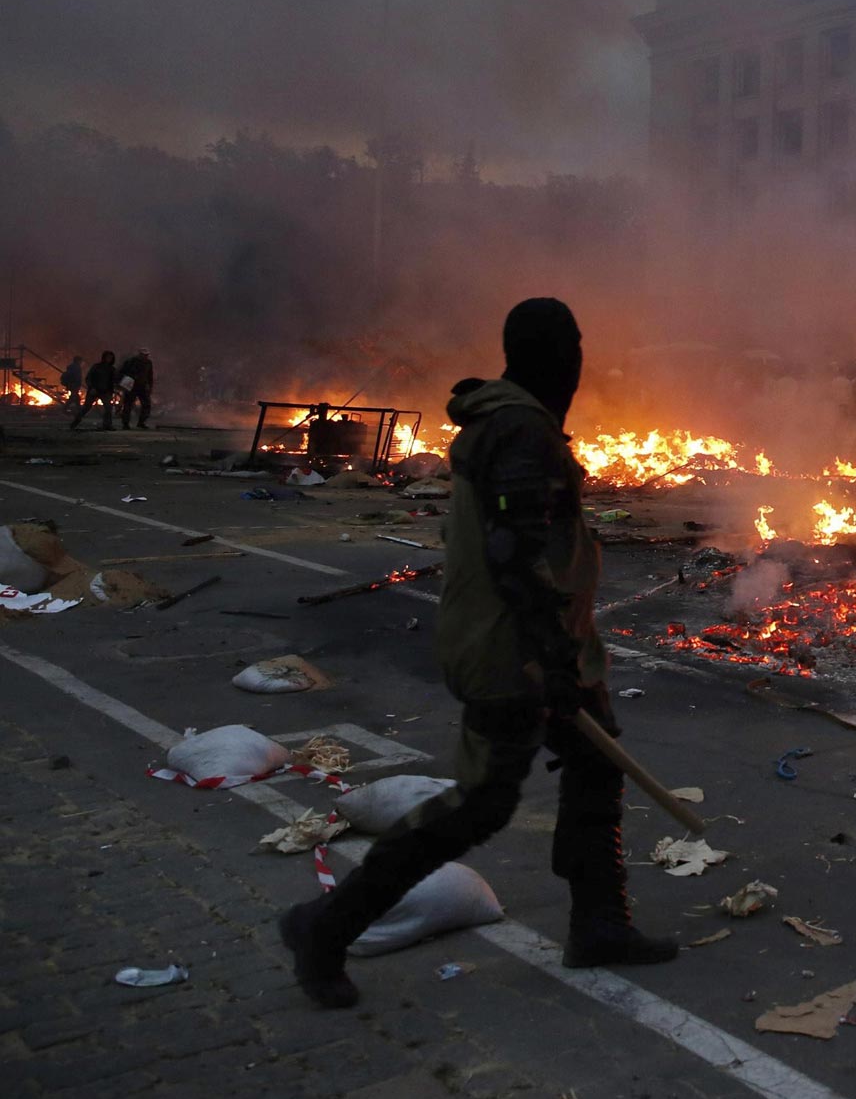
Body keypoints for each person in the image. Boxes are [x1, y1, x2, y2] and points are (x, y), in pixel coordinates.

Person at [279, 299, 677, 1008]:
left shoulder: (510, 422)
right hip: (514, 650)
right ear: (550, 357)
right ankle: (327, 927)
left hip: (544, 643)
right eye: (572, 348)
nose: (580, 362)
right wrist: (551, 660)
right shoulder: (523, 432)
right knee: (482, 804)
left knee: (594, 768)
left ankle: (600, 924)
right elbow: (515, 551)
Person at [69, 351, 117, 431]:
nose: (109, 359)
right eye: (108, 357)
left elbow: (114, 380)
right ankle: (75, 422)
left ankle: (107, 425)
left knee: (108, 408)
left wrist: (112, 390)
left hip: (106, 392)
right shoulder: (96, 367)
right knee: (86, 407)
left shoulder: (112, 369)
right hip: (94, 390)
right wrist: (92, 388)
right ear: (104, 358)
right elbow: (88, 378)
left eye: (111, 358)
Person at [117, 348, 154, 429]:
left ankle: (141, 422)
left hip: (142, 386)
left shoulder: (148, 363)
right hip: (131, 386)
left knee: (146, 405)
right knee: (128, 405)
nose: (145, 356)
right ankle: (125, 423)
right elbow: (121, 372)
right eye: (144, 355)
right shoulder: (131, 361)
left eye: (146, 355)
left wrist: (150, 386)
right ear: (139, 354)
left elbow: (150, 376)